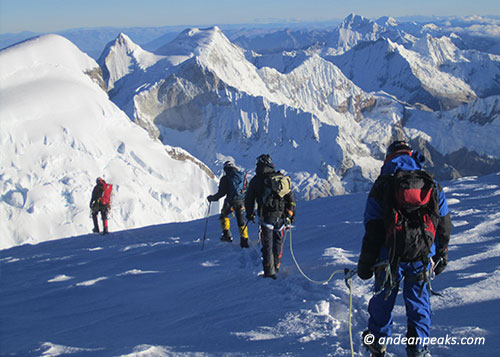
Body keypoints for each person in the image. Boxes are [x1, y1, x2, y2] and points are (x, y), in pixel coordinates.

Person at [357, 141, 452, 357]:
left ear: (388, 158)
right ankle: (418, 348)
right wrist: (442, 252)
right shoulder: (431, 184)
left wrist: (365, 263)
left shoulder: (383, 183)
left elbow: (372, 229)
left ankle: (376, 344)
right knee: (419, 304)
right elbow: (444, 223)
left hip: (388, 258)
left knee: (382, 301)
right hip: (421, 256)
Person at [245, 154, 296, 279]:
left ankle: (269, 271)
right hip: (282, 217)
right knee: (278, 243)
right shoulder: (280, 178)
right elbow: (291, 200)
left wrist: (250, 214)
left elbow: (249, 199)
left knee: (267, 245)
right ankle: (276, 266)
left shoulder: (256, 180)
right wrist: (290, 217)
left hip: (266, 217)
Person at [207, 161, 250, 248]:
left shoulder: (225, 178)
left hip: (230, 202)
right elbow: (248, 189)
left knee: (224, 215)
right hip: (241, 202)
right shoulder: (242, 176)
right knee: (241, 221)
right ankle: (244, 240)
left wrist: (212, 198)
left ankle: (227, 235)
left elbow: (221, 193)